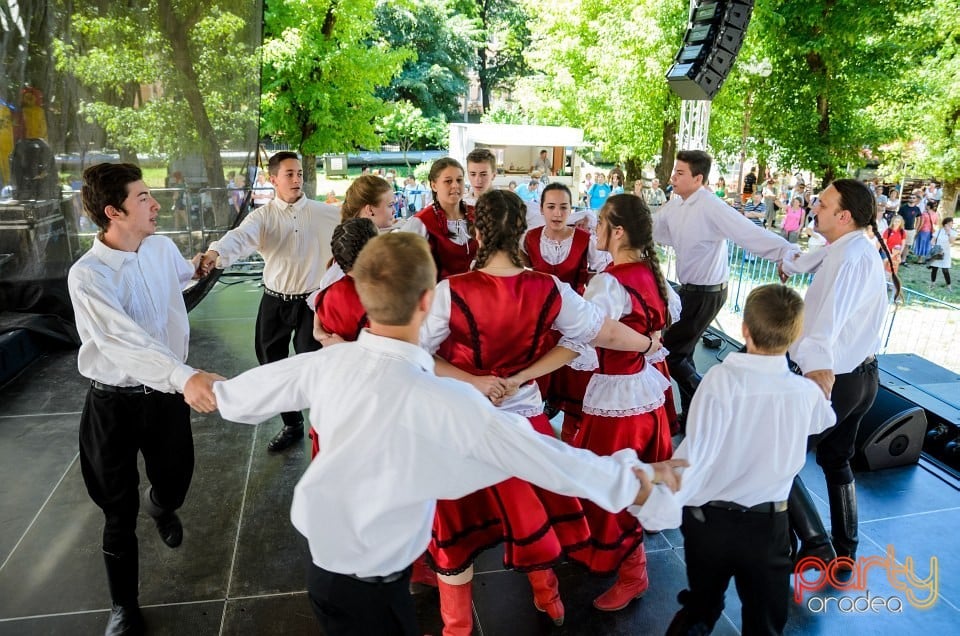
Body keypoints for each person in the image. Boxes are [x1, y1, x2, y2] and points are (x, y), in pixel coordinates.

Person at [207, 231, 686, 636]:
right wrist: (637, 475)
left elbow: (234, 396)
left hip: (324, 574)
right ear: (427, 300)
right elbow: (546, 459)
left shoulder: (324, 363)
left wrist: (181, 378)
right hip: (375, 585)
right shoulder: (447, 403)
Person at [421, 189, 665, 632]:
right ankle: (548, 598)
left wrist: (475, 381)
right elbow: (595, 335)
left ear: (478, 232)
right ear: (522, 233)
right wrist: (647, 343)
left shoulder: (449, 291)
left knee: (456, 531)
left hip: (463, 421)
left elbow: (419, 354)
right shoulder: (549, 288)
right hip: (526, 419)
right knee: (529, 512)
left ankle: (456, 628)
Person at [68, 163, 223, 635]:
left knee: (174, 483)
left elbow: (177, 278)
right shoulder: (87, 277)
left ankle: (163, 503)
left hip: (164, 400)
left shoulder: (160, 248)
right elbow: (122, 342)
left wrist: (197, 267)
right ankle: (124, 606)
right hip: (112, 405)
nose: (156, 204)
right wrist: (185, 375)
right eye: (142, 198)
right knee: (117, 510)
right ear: (113, 212)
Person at [638, 284, 836, 636]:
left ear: (745, 329)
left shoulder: (719, 380)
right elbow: (824, 419)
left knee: (700, 609)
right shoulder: (805, 394)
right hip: (767, 527)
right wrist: (820, 384)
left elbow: (697, 447)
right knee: (765, 623)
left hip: (708, 522)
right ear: (795, 336)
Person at [781, 179, 898, 577]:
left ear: (843, 216)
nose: (815, 206)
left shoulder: (850, 258)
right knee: (835, 457)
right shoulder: (852, 249)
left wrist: (814, 379)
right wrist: (792, 262)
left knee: (781, 458)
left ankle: (816, 544)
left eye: (823, 203)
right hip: (862, 377)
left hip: (836, 378)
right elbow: (816, 260)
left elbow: (826, 327)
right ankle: (845, 551)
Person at [197, 151, 340, 453]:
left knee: (312, 366)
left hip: (311, 304)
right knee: (270, 362)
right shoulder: (261, 217)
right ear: (273, 179)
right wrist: (213, 254)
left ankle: (323, 428)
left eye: (299, 173)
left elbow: (358, 223)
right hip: (274, 302)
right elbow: (238, 237)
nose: (297, 179)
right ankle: (292, 424)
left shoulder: (324, 212)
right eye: (289, 174)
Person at [572, 193, 675, 612]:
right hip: (645, 394)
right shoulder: (650, 274)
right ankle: (631, 566)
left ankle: (633, 574)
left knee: (614, 483)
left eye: (599, 223)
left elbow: (592, 332)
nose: (593, 230)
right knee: (631, 480)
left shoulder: (611, 282)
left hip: (621, 397)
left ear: (617, 231)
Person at [653, 150, 799, 428]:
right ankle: (693, 416)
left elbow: (748, 232)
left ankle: (711, 405)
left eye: (680, 173)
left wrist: (785, 252)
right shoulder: (675, 206)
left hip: (707, 292)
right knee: (682, 353)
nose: (673, 177)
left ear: (698, 178)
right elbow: (652, 228)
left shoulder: (711, 206)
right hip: (690, 290)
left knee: (671, 353)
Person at [521, 183, 611, 441]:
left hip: (574, 321)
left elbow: (600, 275)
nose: (557, 213)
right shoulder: (529, 239)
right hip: (541, 321)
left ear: (571, 209)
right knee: (540, 377)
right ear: (542, 209)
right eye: (551, 207)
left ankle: (574, 435)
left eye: (563, 207)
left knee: (574, 380)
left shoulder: (585, 240)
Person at [308, 217, 380, 456]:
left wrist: (319, 332)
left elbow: (318, 314)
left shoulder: (328, 293)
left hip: (336, 391)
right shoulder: (384, 297)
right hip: (372, 394)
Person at [400, 157, 477, 281]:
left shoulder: (475, 214)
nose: (455, 185)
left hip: (471, 292)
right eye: (448, 181)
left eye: (459, 180)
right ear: (434, 185)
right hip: (437, 296)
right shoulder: (422, 222)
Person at [929, 217, 955, 290]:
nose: (951, 225)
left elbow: (952, 242)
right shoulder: (939, 231)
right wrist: (934, 246)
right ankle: (932, 284)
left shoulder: (953, 232)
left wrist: (948, 233)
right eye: (949, 223)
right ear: (945, 224)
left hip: (946, 253)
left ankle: (949, 286)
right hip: (938, 251)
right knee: (934, 269)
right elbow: (932, 240)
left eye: (951, 223)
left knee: (945, 270)